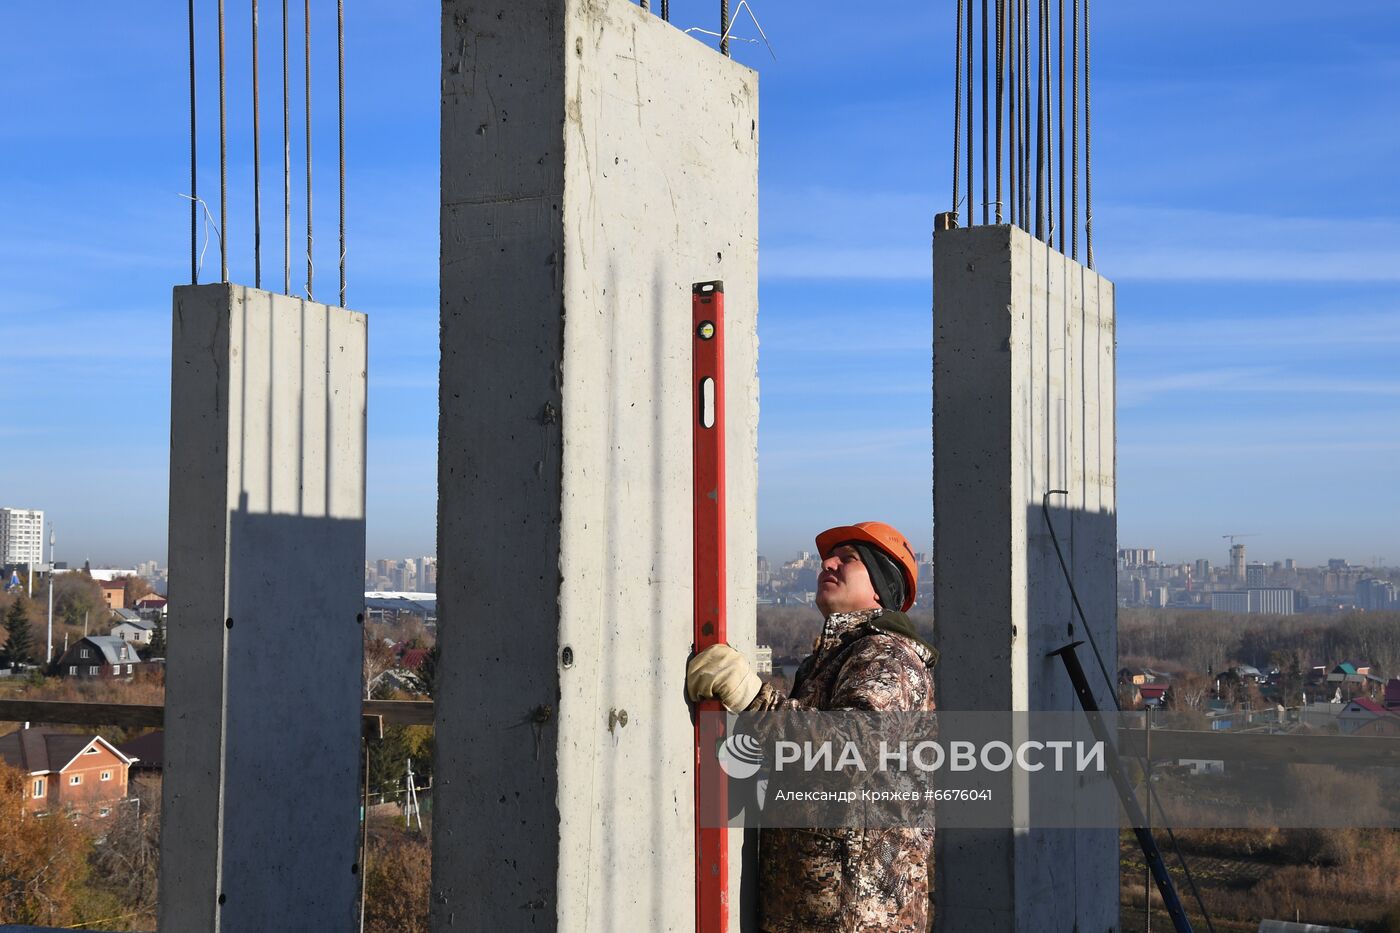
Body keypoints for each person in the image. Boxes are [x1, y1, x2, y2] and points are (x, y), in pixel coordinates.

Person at [686, 521, 937, 933]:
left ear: (880, 584)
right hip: (811, 914)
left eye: (849, 558)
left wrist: (752, 697)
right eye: (829, 556)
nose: (829, 562)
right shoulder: (827, 662)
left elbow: (849, 749)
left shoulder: (888, 659)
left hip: (857, 921)